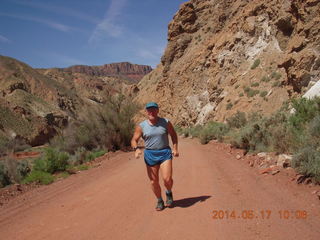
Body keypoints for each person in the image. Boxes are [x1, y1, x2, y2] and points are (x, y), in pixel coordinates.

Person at [131, 102, 179, 211]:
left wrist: (175, 148)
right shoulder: (141, 126)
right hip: (150, 155)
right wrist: (136, 149)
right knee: (153, 181)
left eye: (153, 109)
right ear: (146, 112)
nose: (151, 112)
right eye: (149, 110)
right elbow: (134, 140)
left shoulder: (165, 122)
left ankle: (168, 192)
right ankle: (159, 200)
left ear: (157, 110)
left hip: (165, 153)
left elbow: (173, 135)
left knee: (167, 179)